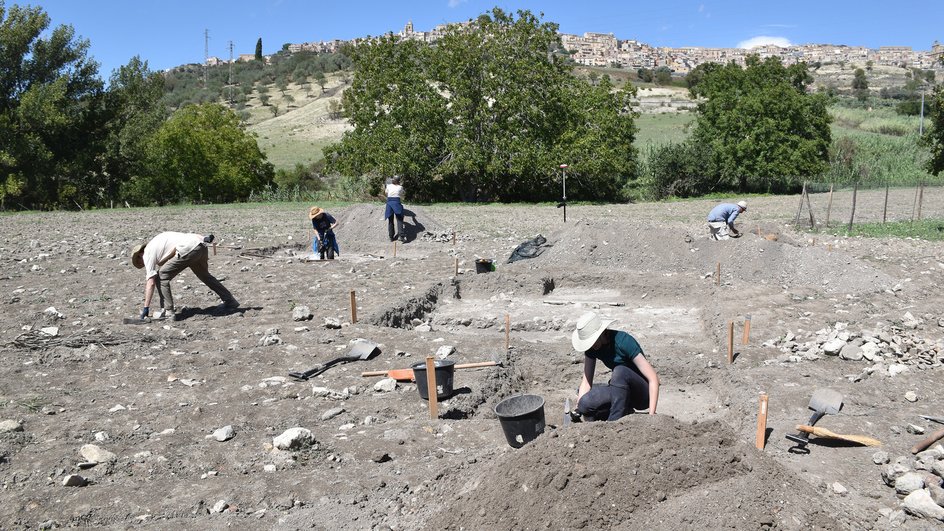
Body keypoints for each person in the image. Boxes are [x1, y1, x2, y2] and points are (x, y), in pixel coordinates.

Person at [572, 311, 660, 421]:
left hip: (643, 394)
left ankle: (614, 422)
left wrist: (652, 415)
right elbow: (586, 382)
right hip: (621, 391)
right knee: (585, 403)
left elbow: (653, 378)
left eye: (593, 341)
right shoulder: (592, 348)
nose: (591, 345)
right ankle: (625, 411)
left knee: (620, 371)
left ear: (602, 333)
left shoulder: (623, 341)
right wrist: (578, 409)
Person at [131, 232, 238, 321]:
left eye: (138, 261)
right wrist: (205, 238)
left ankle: (168, 311)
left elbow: (151, 282)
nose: (142, 263)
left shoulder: (147, 253)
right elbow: (188, 236)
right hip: (200, 246)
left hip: (188, 249)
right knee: (205, 276)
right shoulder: (159, 242)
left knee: (162, 275)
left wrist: (146, 307)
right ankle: (230, 301)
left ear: (140, 254)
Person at [384, 175, 406, 243]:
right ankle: (401, 236)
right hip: (397, 202)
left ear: (393, 180)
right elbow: (402, 195)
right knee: (399, 220)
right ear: (398, 181)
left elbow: (386, 193)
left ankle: (391, 237)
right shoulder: (400, 187)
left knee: (390, 220)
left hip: (389, 203)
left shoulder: (389, 186)